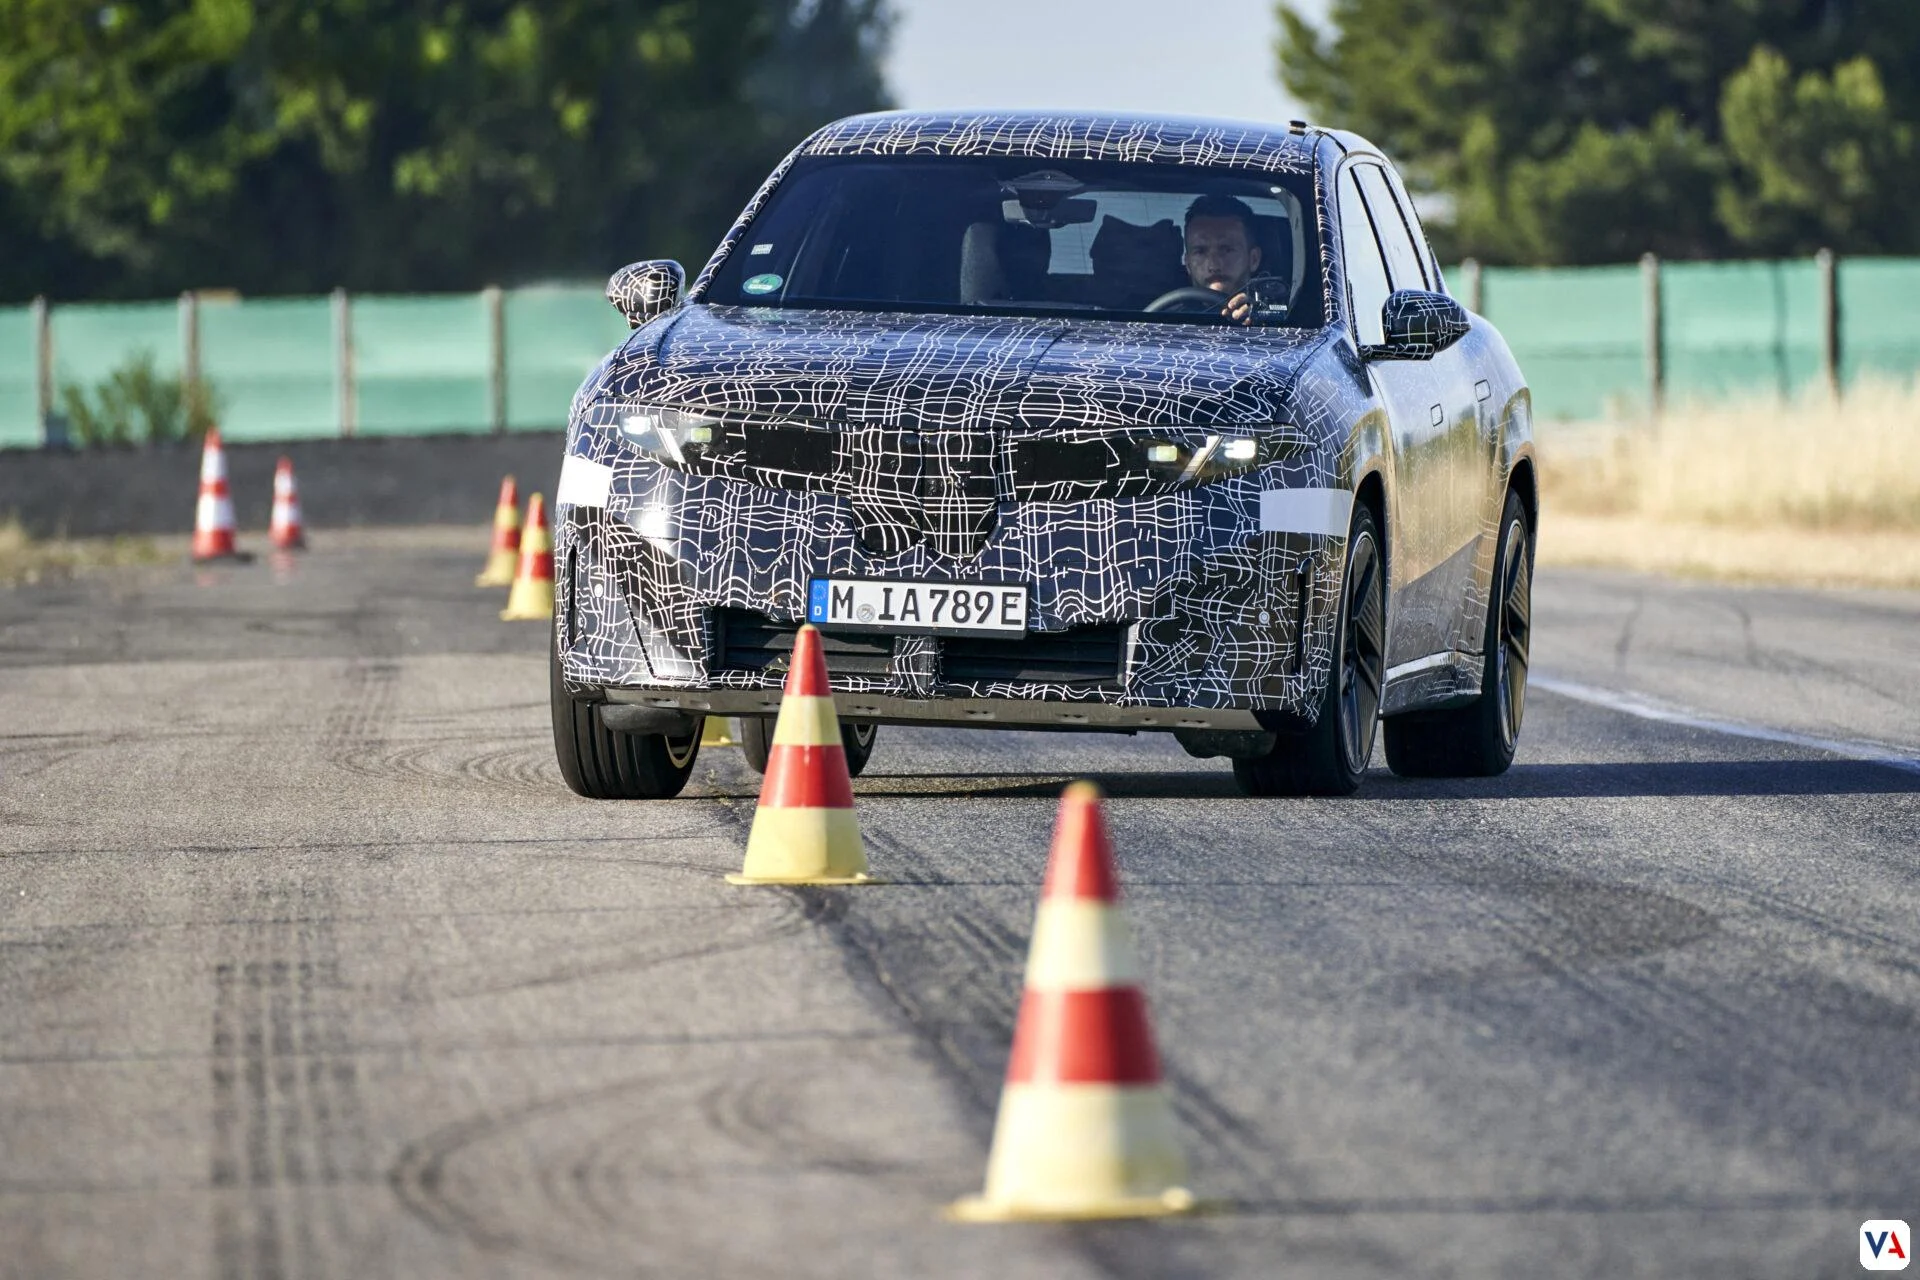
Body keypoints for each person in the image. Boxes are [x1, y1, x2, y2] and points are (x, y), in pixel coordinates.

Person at [1183, 194, 1263, 324]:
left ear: (1254, 259)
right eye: (1200, 251)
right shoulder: (1160, 318)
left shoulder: (1280, 318)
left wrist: (1262, 317)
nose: (1214, 265)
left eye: (1226, 250)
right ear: (1187, 264)